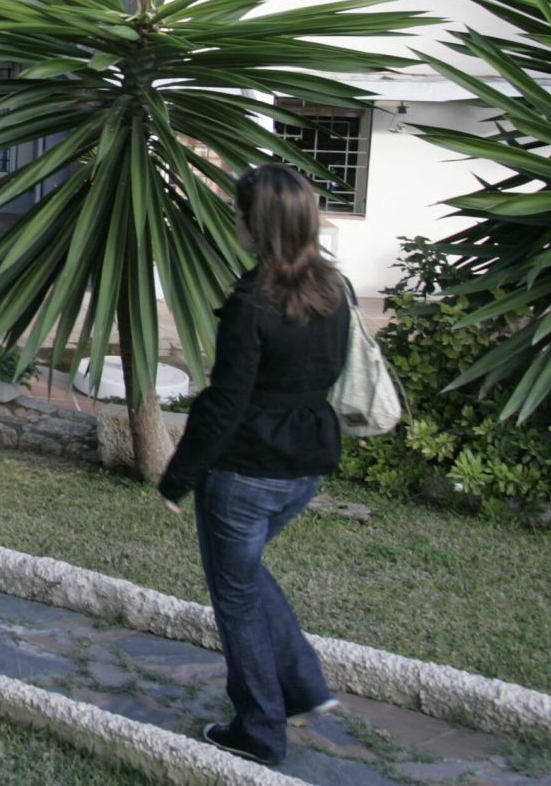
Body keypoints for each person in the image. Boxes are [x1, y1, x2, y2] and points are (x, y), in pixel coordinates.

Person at [158, 163, 352, 767]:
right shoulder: (334, 290)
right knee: (245, 577)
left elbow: (225, 402)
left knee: (236, 598)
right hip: (305, 467)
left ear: (257, 223)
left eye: (238, 213)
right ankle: (303, 685)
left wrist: (178, 477)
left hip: (245, 473)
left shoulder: (252, 302)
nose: (234, 221)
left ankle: (260, 731)